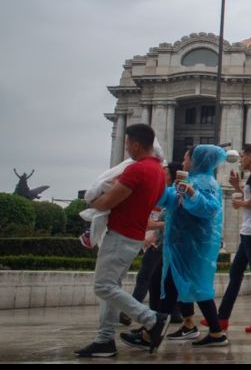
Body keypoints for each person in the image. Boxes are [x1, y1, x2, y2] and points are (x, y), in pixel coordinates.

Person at [121, 144, 229, 349]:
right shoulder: (192, 180)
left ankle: (151, 335)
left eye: (187, 158)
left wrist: (190, 191)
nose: (184, 162)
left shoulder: (205, 183)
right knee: (177, 288)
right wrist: (160, 183)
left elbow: (210, 208)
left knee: (179, 288)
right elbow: (169, 199)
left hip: (191, 246)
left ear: (198, 160)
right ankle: (214, 333)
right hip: (182, 246)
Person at [75, 124, 169, 358]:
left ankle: (152, 320)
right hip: (134, 235)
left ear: (136, 144)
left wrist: (93, 203)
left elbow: (107, 202)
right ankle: (105, 339)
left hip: (121, 234)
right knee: (111, 287)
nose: (126, 148)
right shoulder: (158, 171)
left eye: (127, 143)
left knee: (103, 286)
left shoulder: (137, 170)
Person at [202, 144, 251, 333]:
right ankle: (222, 318)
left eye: (243, 156)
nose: (241, 159)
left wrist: (239, 203)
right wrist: (238, 187)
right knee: (235, 273)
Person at [120, 162, 185, 327]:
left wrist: (155, 232)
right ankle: (172, 313)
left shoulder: (172, 195)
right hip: (162, 243)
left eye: (165, 172)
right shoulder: (164, 194)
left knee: (147, 278)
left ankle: (132, 312)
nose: (162, 175)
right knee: (158, 280)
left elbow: (172, 221)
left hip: (160, 244)